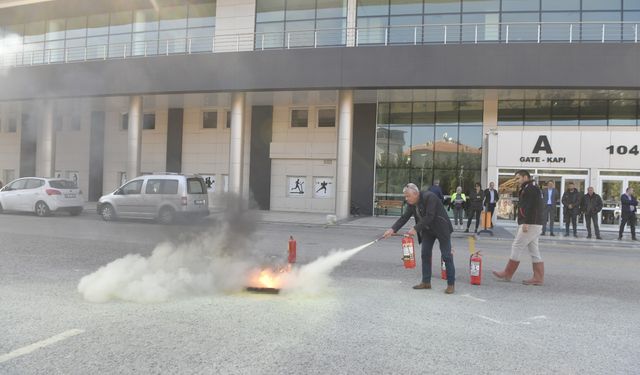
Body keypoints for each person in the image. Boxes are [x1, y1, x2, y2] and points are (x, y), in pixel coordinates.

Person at [383, 183, 455, 294]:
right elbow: (404, 217)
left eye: (408, 196)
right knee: (425, 253)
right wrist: (392, 230)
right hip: (427, 230)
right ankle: (426, 282)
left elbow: (430, 216)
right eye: (405, 197)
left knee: (446, 255)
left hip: (441, 229)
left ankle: (451, 284)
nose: (406, 199)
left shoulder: (429, 197)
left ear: (416, 193)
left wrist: (415, 228)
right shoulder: (412, 203)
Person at [492, 170, 545, 286]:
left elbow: (531, 207)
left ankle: (507, 273)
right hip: (534, 223)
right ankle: (538, 278)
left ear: (525, 177)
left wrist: (526, 222)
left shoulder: (530, 188)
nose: (516, 181)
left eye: (518, 178)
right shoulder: (530, 187)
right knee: (534, 251)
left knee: (517, 245)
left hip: (531, 223)